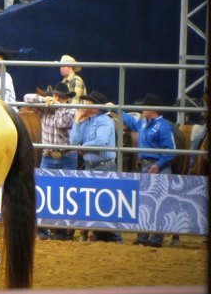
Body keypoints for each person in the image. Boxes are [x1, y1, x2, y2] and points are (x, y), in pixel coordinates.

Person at [23, 82, 78, 241]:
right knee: (43, 193)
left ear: (67, 99)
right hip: (48, 157)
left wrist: (57, 106)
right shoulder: (45, 107)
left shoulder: (71, 110)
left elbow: (62, 123)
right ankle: (42, 230)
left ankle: (61, 232)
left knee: (66, 194)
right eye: (55, 95)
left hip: (66, 157)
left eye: (61, 97)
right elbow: (27, 98)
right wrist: (43, 99)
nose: (57, 98)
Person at [122, 93, 177, 248]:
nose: (142, 109)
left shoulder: (164, 126)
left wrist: (158, 165)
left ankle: (155, 239)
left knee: (158, 203)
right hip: (146, 166)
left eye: (145, 106)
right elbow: (131, 121)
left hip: (158, 168)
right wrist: (117, 110)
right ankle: (143, 237)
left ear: (153, 109)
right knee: (144, 202)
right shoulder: (143, 123)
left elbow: (171, 150)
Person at [69, 89, 123, 243]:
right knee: (94, 203)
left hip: (103, 166)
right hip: (91, 166)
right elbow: (73, 142)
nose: (84, 104)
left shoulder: (104, 120)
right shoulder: (86, 121)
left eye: (88, 101)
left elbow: (101, 141)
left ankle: (115, 238)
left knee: (106, 203)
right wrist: (77, 120)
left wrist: (83, 147)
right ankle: (100, 235)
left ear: (95, 107)